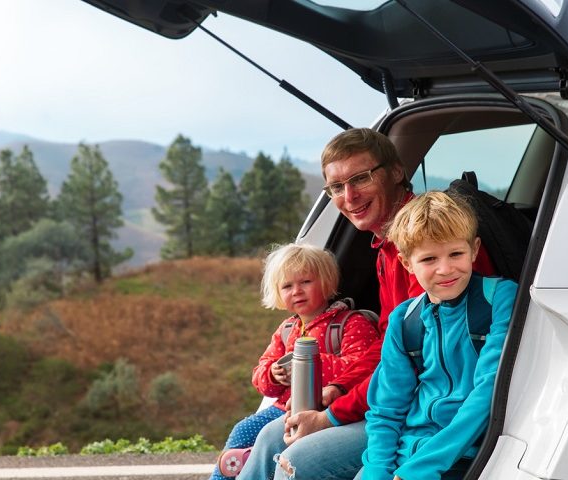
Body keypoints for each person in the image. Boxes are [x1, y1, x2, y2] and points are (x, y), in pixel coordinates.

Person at [238, 129, 494, 480]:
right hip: (397, 406)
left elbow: (425, 373)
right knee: (270, 436)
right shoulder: (387, 251)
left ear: (395, 172)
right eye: (336, 188)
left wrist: (331, 415)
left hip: (421, 417)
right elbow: (388, 351)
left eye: (360, 178)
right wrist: (340, 391)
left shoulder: (432, 251)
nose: (349, 196)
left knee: (295, 461)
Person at [358, 191, 518, 480]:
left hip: (466, 455)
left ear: (474, 249)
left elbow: (489, 392)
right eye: (429, 259)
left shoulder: (499, 299)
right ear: (407, 264)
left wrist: (419, 470)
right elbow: (387, 409)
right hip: (406, 452)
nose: (445, 270)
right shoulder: (404, 321)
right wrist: (376, 472)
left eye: (456, 254)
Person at [209, 243, 378, 480]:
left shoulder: (351, 323)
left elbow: (360, 366)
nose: (297, 291)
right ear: (278, 293)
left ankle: (256, 457)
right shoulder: (286, 330)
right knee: (243, 429)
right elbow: (261, 374)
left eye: (305, 282)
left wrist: (307, 365)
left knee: (269, 438)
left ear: (327, 282)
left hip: (326, 406)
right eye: (287, 286)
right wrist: (272, 374)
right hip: (283, 409)